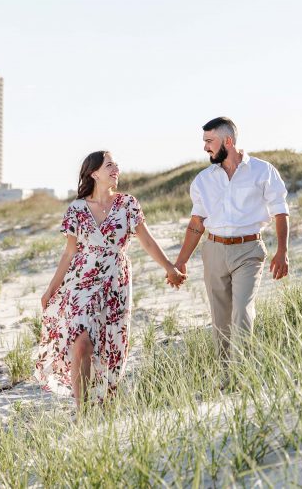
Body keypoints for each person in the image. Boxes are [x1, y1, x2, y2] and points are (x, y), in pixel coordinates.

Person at [35, 150, 186, 409]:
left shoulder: (128, 204)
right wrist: (52, 288)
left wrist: (169, 267)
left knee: (111, 345)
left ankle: (105, 403)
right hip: (82, 279)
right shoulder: (77, 209)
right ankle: (82, 409)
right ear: (94, 173)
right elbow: (69, 252)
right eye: (109, 165)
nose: (116, 168)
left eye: (116, 164)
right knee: (81, 342)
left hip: (116, 280)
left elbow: (147, 241)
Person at [171, 117, 290, 385]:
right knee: (221, 318)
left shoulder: (263, 171)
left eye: (209, 142)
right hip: (213, 250)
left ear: (228, 141)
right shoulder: (203, 180)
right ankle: (227, 378)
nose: (205, 148)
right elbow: (196, 223)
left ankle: (243, 373)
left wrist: (282, 251)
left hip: (249, 250)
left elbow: (280, 211)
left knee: (242, 311)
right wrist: (181, 261)